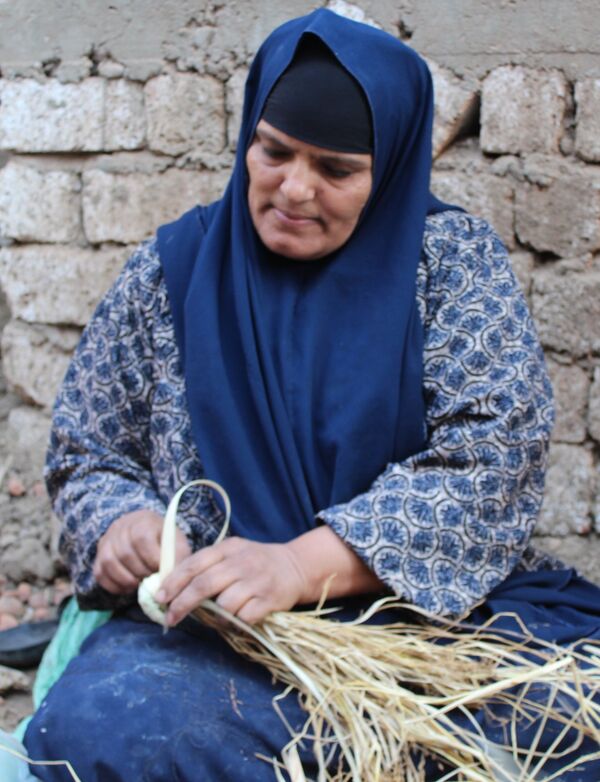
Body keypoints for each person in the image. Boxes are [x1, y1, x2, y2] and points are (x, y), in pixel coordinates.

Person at [20, 8, 600, 781]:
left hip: (417, 625)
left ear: (386, 169)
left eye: (335, 170)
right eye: (274, 151)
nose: (294, 189)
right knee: (103, 731)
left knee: (561, 723)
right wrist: (119, 520)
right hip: (218, 637)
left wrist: (299, 566)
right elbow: (88, 449)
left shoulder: (451, 268)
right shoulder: (173, 271)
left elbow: (492, 460)